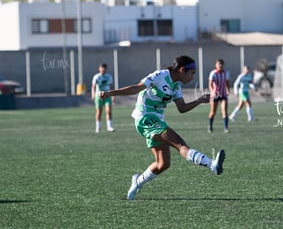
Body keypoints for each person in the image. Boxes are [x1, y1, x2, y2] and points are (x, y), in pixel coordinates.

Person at [100, 55, 225, 201]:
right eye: (192, 73)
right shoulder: (159, 75)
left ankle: (137, 182)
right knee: (181, 145)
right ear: (182, 70)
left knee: (163, 164)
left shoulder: (176, 86)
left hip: (157, 120)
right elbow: (137, 88)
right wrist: (110, 93)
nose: (192, 77)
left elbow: (182, 108)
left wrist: (199, 101)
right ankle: (212, 165)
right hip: (145, 118)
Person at [208, 59, 230, 133]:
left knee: (224, 111)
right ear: (216, 65)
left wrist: (228, 90)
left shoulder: (226, 73)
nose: (220, 65)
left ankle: (226, 128)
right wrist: (212, 92)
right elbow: (210, 84)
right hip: (215, 95)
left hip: (223, 94)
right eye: (219, 64)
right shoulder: (213, 73)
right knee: (213, 112)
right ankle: (210, 127)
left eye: (221, 64)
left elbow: (227, 82)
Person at [91, 63, 115, 133]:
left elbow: (111, 86)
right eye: (102, 69)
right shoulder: (96, 77)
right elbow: (93, 86)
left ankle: (109, 126)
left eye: (104, 69)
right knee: (99, 112)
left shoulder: (109, 77)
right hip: (99, 96)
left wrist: (113, 95)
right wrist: (93, 94)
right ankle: (98, 127)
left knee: (108, 111)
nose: (103, 70)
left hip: (107, 95)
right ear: (99, 69)